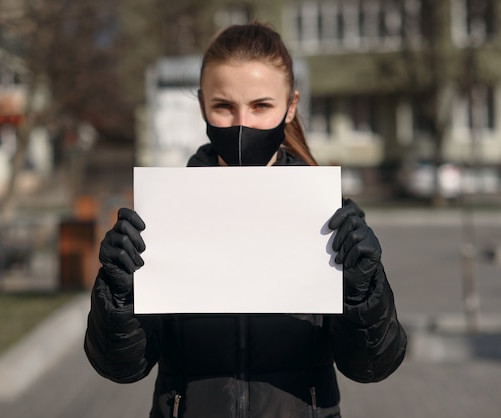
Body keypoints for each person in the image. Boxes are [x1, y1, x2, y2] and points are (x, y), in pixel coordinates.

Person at [85, 22, 407, 418]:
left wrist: (364, 290)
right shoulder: (166, 215)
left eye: (261, 106)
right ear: (202, 104)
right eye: (224, 106)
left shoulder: (326, 218)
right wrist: (119, 294)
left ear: (290, 105)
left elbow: (372, 366)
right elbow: (121, 367)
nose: (242, 124)